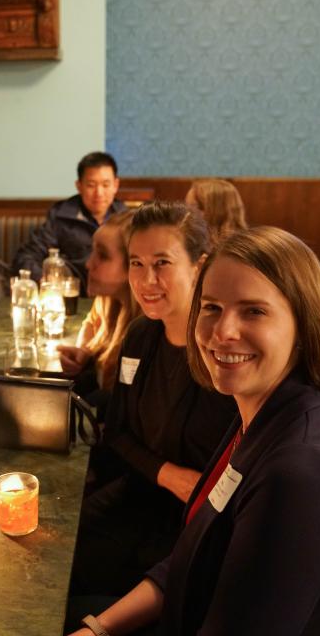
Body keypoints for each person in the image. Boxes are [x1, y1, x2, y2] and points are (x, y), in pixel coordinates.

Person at [69, 226, 320, 636]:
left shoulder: (302, 472)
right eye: (211, 307)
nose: (222, 332)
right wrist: (99, 629)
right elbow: (194, 553)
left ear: (304, 325)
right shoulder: (257, 415)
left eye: (254, 311)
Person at [69, 202, 236, 597]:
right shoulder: (141, 335)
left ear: (200, 265)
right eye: (136, 263)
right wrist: (167, 474)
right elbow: (120, 434)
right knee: (48, 558)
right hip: (138, 495)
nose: (146, 280)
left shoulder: (224, 353)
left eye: (162, 263)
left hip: (197, 524)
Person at [56, 210, 141, 409]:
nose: (88, 263)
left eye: (102, 255)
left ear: (134, 264)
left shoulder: (147, 331)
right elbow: (91, 324)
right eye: (92, 251)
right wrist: (85, 352)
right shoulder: (108, 300)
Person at [12, 152, 126, 293]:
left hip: (114, 297)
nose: (99, 193)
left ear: (116, 185)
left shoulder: (126, 219)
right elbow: (27, 256)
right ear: (79, 186)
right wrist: (45, 281)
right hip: (71, 296)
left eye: (106, 185)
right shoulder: (61, 217)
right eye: (91, 185)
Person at [185, 178, 247, 245]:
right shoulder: (191, 239)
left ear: (217, 211)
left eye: (194, 207)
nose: (187, 213)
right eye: (186, 206)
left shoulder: (238, 248)